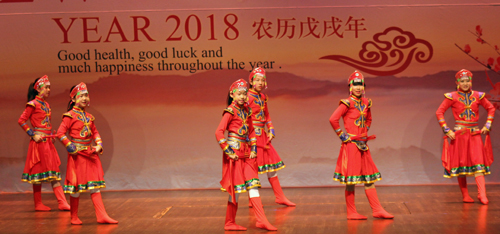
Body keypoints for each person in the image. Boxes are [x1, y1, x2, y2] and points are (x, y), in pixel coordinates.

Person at [329, 71, 394, 220]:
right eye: (355, 84)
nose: (358, 87)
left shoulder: (366, 102)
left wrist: (365, 132)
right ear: (350, 87)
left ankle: (377, 209)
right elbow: (333, 119)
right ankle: (351, 212)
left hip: (364, 144)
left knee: (369, 178)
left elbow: (369, 119)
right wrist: (342, 135)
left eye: (361, 84)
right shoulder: (346, 103)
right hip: (352, 145)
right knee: (351, 181)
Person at [215, 79, 277, 231]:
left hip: (247, 153)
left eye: (244, 94)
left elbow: (251, 132)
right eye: (239, 94)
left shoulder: (247, 110)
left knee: (253, 185)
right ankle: (229, 222)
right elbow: (218, 132)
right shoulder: (230, 111)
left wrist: (254, 149)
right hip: (234, 154)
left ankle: (261, 220)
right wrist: (228, 151)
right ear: (232, 94)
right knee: (235, 190)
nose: (243, 97)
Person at [56, 82, 118, 225]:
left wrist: (99, 145)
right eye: (81, 96)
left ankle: (102, 216)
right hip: (77, 155)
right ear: (73, 99)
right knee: (75, 187)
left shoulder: (89, 117)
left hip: (90, 153)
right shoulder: (69, 115)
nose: (84, 98)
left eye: (86, 95)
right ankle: (74, 217)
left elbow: (95, 132)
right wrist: (70, 145)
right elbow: (60, 133)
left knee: (95, 186)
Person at [436, 69, 495, 205]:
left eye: (467, 81)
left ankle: (482, 194)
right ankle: (466, 195)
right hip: (460, 135)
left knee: (478, 163)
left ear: (471, 82)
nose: (465, 83)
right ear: (457, 82)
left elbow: (491, 108)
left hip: (475, 134)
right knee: (461, 165)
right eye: (462, 81)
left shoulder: (478, 96)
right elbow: (439, 112)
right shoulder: (452, 96)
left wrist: (487, 125)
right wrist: (446, 129)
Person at [18, 75, 70, 211]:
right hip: (38, 143)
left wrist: (50, 135)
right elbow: (21, 121)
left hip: (47, 142)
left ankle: (62, 202)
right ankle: (38, 204)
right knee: (37, 173)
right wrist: (33, 134)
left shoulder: (46, 105)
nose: (48, 90)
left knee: (54, 171)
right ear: (38, 89)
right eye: (46, 87)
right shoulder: (33, 104)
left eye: (49, 87)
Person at [247, 67, 295, 207]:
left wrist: (271, 128)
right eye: (257, 80)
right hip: (252, 137)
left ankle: (280, 197)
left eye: (263, 80)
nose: (261, 83)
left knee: (271, 167)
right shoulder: (247, 97)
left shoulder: (262, 97)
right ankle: (252, 199)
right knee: (252, 167)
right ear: (251, 81)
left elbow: (266, 115)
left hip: (263, 136)